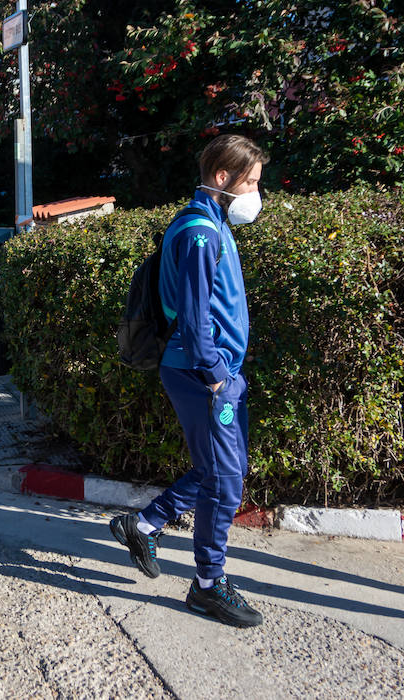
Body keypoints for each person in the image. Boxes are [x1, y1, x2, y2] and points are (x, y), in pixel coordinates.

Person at [109, 133, 269, 629]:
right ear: (222, 179)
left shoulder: (211, 222)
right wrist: (218, 376)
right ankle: (207, 585)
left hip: (214, 373)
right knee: (224, 482)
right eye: (251, 183)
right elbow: (197, 318)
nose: (256, 195)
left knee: (223, 468)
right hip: (204, 374)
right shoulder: (200, 233)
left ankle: (145, 523)